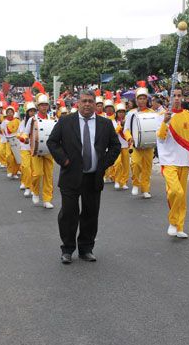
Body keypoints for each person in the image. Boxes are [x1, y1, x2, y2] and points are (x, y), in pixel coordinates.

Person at [47, 89, 121, 263]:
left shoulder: (105, 124)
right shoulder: (66, 121)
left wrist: (103, 163)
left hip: (93, 176)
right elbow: (52, 142)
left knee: (90, 214)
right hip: (71, 176)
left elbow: (115, 146)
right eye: (84, 101)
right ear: (78, 103)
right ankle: (67, 249)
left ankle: (86, 249)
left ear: (95, 104)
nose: (87, 104)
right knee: (69, 214)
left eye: (91, 101)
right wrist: (64, 160)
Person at [156, 86, 189, 238]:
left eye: (179, 95)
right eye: (174, 96)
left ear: (183, 97)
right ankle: (173, 221)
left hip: (184, 160)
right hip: (168, 160)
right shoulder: (161, 116)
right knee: (175, 191)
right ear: (169, 99)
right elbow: (160, 138)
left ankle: (179, 227)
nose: (177, 98)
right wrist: (165, 122)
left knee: (182, 196)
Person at [124, 88, 155, 198]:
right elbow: (126, 129)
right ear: (136, 100)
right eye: (139, 99)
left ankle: (145, 189)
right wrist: (129, 137)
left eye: (143, 99)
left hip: (148, 145)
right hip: (136, 145)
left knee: (147, 168)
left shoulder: (152, 113)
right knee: (135, 164)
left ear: (147, 100)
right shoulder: (131, 113)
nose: (142, 101)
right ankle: (136, 183)